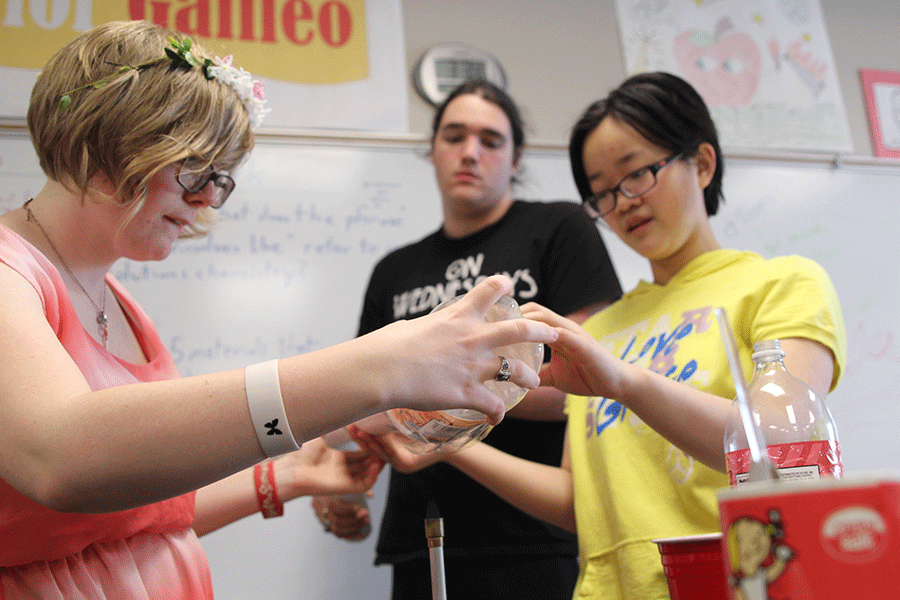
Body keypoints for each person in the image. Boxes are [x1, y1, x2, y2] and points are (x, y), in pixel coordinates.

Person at [0, 22, 561, 599]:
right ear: (100, 138)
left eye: (219, 179)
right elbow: (61, 459)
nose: (204, 199)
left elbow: (139, 519)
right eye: (192, 168)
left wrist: (287, 476)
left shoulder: (120, 304)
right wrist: (377, 368)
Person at [352, 72, 847, 599]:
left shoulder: (782, 283)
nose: (624, 201)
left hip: (738, 580)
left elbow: (787, 449)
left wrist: (626, 382)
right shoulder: (605, 329)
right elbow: (576, 503)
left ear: (702, 163)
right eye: (603, 192)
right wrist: (444, 443)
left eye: (637, 174)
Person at [312, 79, 623, 599]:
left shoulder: (559, 229)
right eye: (453, 136)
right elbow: (360, 398)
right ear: (432, 151)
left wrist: (427, 395)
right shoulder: (394, 271)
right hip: (420, 534)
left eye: (491, 140)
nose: (470, 153)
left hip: (534, 537)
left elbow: (586, 386)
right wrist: (337, 483)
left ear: (517, 157)